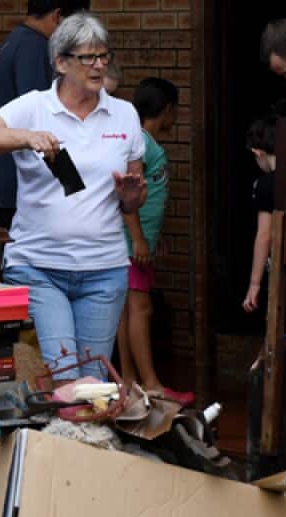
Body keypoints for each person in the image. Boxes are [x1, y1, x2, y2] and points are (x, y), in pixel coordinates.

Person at [0, 12, 146, 382]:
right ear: (61, 62)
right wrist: (25, 137)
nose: (98, 65)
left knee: (93, 382)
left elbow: (132, 195)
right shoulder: (34, 106)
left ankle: (81, 440)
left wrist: (130, 198)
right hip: (41, 267)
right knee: (64, 374)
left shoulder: (124, 113)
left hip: (104, 270)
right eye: (87, 57)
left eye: (103, 56)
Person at [0, 0, 92, 230]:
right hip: (13, 184)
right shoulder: (35, 48)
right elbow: (43, 119)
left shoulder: (16, 40)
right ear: (58, 17)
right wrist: (73, 187)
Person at [115, 77, 193, 406]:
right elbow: (127, 197)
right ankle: (151, 384)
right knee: (140, 309)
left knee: (126, 310)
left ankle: (130, 381)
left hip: (135, 242)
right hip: (130, 244)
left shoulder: (141, 141)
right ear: (168, 110)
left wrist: (150, 238)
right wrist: (138, 240)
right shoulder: (141, 144)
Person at [242, 112, 278, 314]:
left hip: (279, 268)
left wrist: (254, 284)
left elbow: (265, 234)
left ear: (258, 152)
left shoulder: (266, 184)